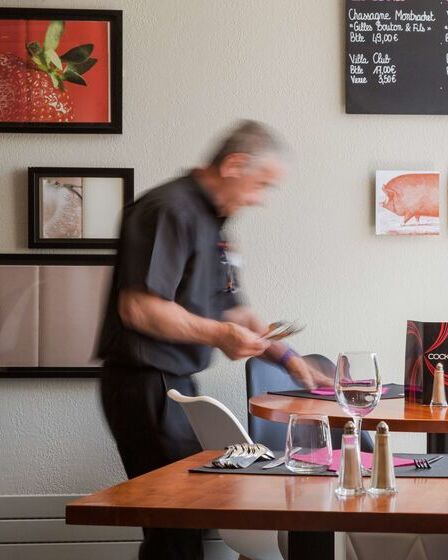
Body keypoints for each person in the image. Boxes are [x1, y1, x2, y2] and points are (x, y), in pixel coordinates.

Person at [97, 120, 330, 560]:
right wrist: (222, 335)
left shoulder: (215, 221)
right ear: (234, 164)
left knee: (188, 521)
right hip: (145, 382)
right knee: (176, 525)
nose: (259, 198)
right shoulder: (169, 209)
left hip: (176, 384)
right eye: (261, 184)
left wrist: (290, 359)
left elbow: (231, 308)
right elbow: (140, 307)